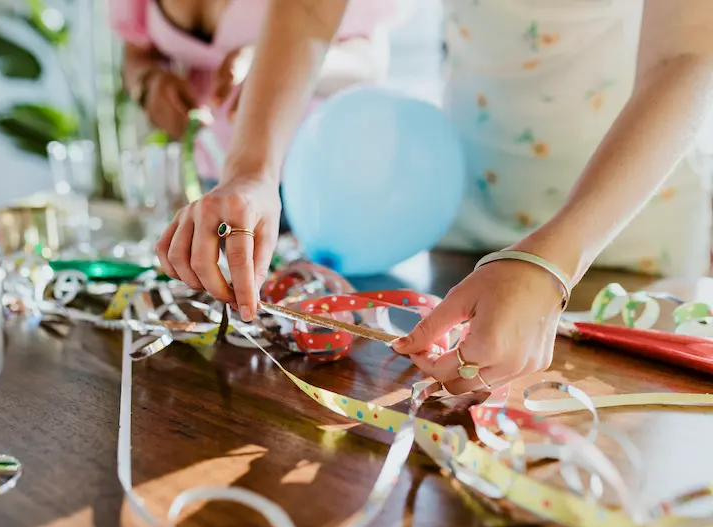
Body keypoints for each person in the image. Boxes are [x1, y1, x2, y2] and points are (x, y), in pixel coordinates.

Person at [155, 0, 713, 394]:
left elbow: (686, 55)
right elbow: (307, 10)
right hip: (470, 222)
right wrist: (250, 172)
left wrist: (554, 260)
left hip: (621, 238)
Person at [110, 0, 397, 180]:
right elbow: (137, 53)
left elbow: (368, 62)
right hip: (213, 175)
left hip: (324, 175)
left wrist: (271, 64)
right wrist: (148, 82)